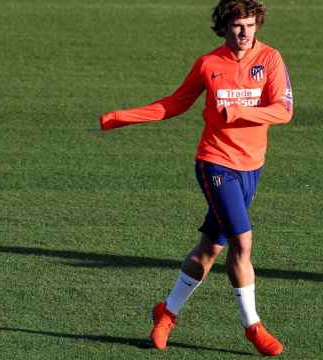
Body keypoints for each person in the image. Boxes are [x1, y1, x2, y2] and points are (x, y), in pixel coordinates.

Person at [99, 0, 293, 356]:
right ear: (224, 27)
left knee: (209, 249)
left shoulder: (270, 60)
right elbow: (175, 103)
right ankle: (253, 326)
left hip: (252, 167)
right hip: (215, 163)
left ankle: (166, 313)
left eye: (250, 25)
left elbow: (283, 111)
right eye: (237, 25)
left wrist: (237, 110)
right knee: (243, 242)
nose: (244, 32)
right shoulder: (209, 64)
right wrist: (126, 117)